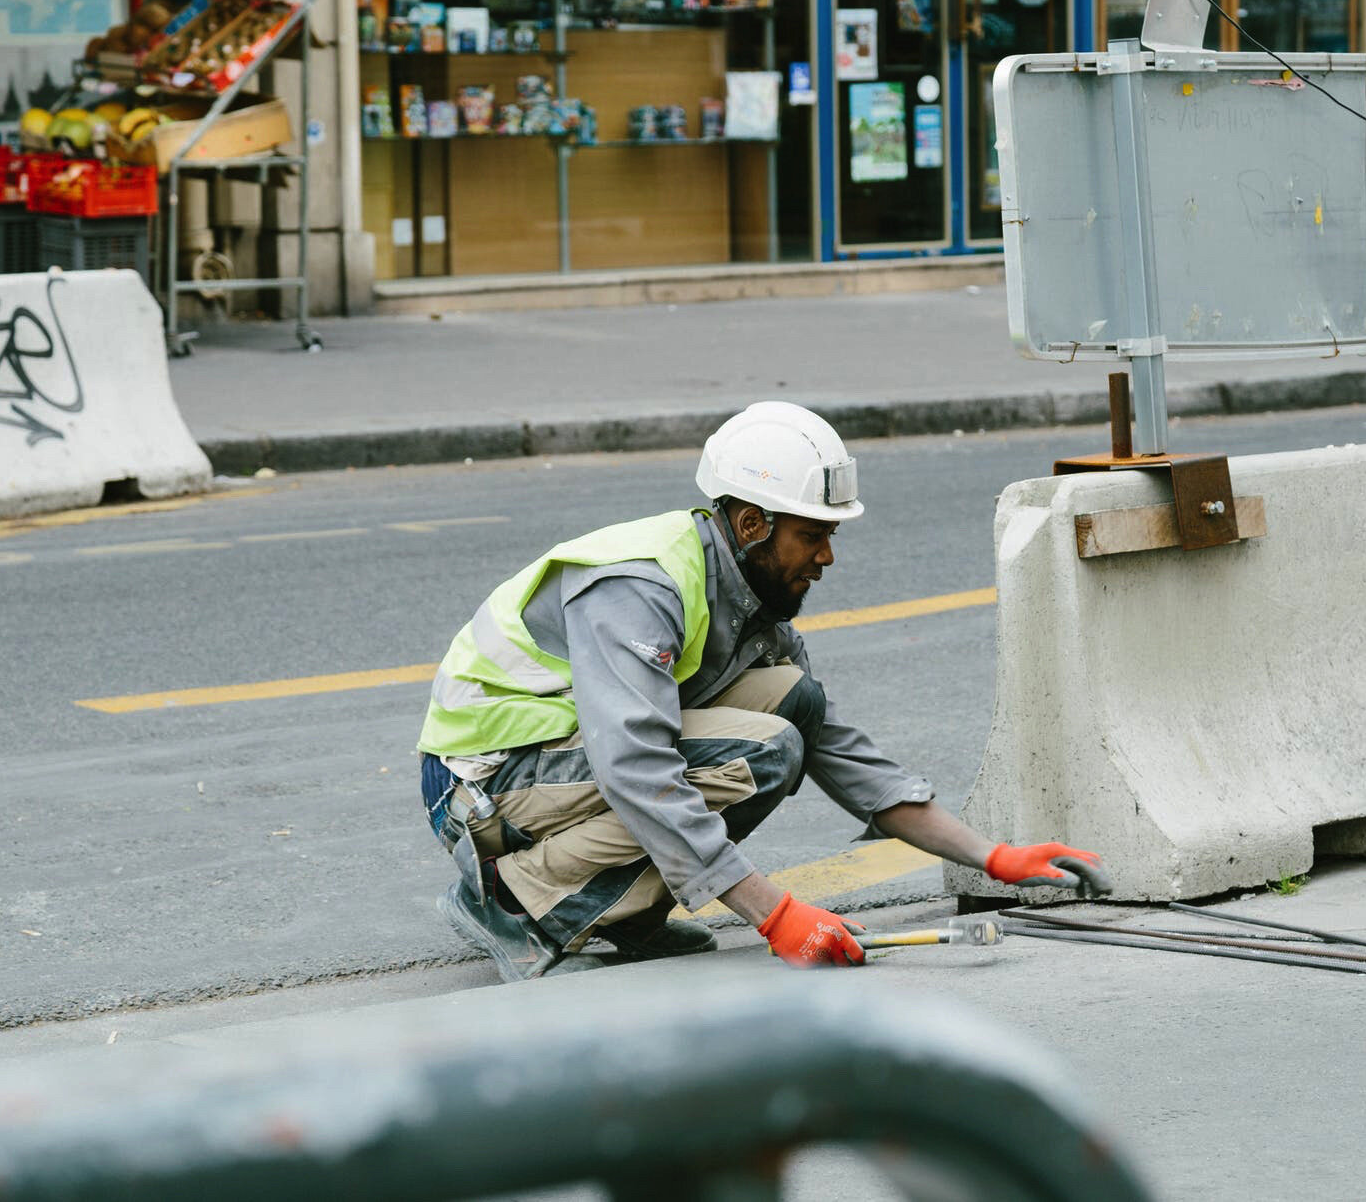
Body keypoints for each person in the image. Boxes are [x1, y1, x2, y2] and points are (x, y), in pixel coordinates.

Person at [416, 401, 1109, 981]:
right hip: (481, 783)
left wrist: (992, 856)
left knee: (792, 703)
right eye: (813, 536)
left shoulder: (750, 600)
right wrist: (774, 913)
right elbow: (635, 766)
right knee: (766, 751)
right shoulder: (642, 586)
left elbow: (840, 749)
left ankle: (622, 916)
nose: (827, 556)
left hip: (554, 766)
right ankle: (513, 904)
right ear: (752, 525)